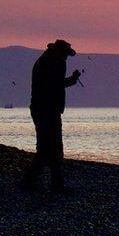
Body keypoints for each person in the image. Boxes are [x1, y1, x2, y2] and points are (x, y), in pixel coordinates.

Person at [21, 39, 82, 191]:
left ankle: (44, 181)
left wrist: (70, 80)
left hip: (43, 108)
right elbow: (55, 84)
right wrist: (72, 79)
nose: (66, 57)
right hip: (46, 109)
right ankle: (45, 182)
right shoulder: (52, 62)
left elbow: (54, 84)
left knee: (48, 146)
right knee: (50, 147)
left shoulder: (45, 61)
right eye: (66, 54)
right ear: (60, 52)